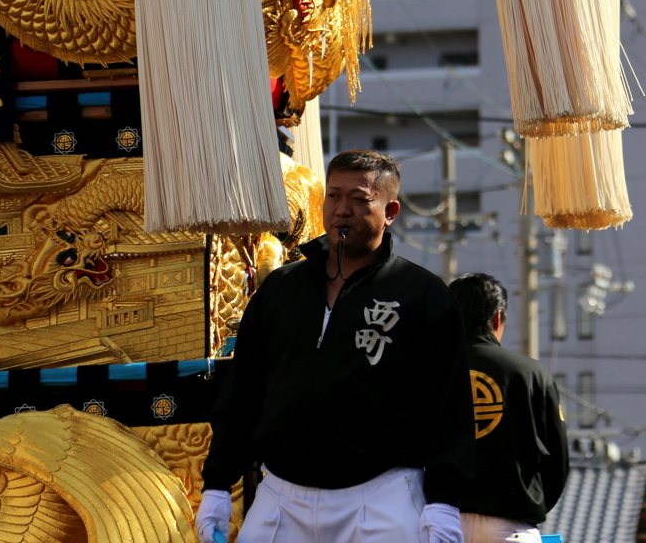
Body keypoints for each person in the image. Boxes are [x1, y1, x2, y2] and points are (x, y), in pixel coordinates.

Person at [196, 150, 475, 543]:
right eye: (333, 196)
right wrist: (217, 486)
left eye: (359, 200)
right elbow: (241, 392)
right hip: (281, 493)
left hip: (382, 493)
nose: (342, 210)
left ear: (390, 210)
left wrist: (444, 503)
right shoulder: (280, 288)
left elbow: (451, 408)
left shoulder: (422, 295)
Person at [447, 274, 569, 543]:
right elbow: (557, 461)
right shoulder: (531, 373)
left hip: (438, 526)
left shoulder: (422, 373)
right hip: (510, 527)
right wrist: (528, 506)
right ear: (498, 318)